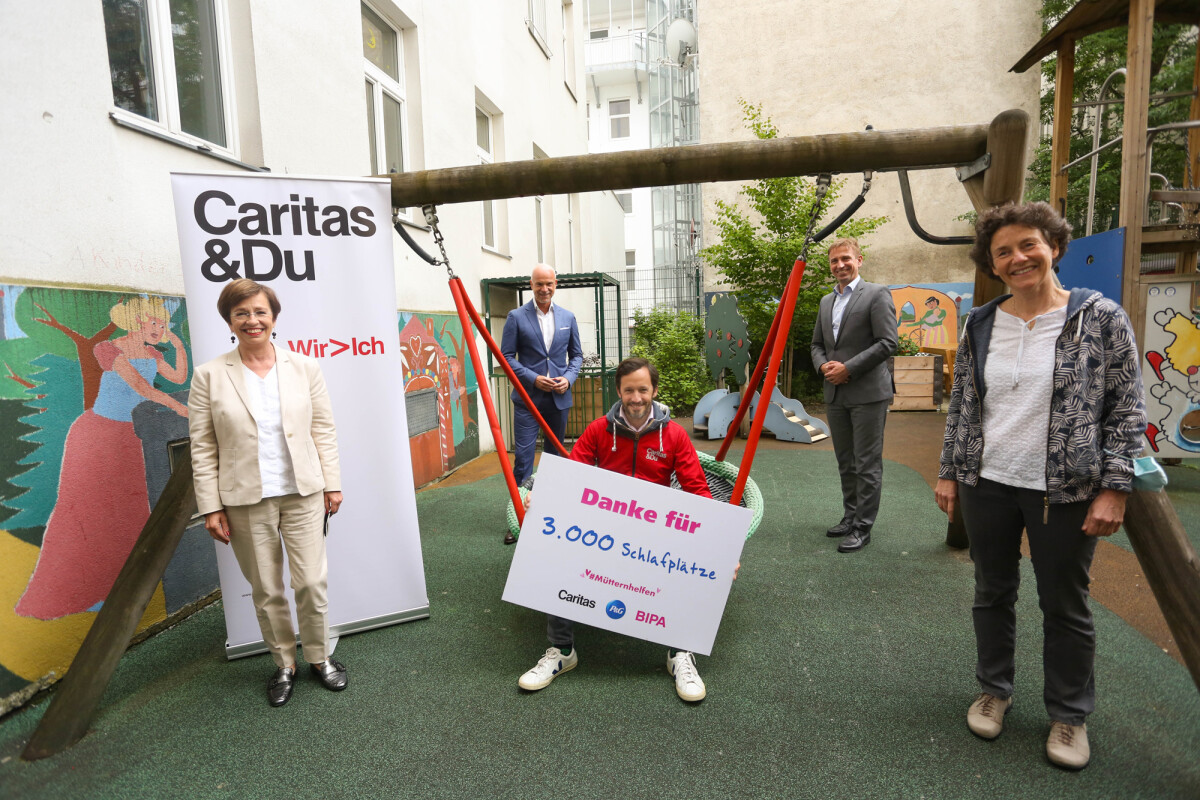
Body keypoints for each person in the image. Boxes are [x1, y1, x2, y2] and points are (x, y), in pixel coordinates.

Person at [935, 202, 1146, 771]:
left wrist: (1115, 487)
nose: (1017, 258)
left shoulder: (1099, 317)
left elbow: (1126, 407)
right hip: (989, 482)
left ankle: (1070, 714)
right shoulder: (981, 322)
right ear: (993, 265)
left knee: (1065, 603)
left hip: (1066, 487)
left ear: (1053, 244)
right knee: (992, 591)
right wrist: (950, 472)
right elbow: (963, 405)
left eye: (1027, 244)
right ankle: (994, 689)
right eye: (1003, 252)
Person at [518, 357, 721, 702]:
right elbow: (572, 474)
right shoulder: (600, 430)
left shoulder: (672, 435)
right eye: (629, 390)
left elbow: (698, 491)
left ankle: (680, 653)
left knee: (688, 565)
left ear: (655, 391)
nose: (637, 397)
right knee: (559, 554)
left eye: (643, 389)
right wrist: (540, 496)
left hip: (654, 534)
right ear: (619, 392)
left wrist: (721, 548)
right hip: (606, 532)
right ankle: (562, 650)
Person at [188, 278, 346, 708]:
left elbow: (323, 429)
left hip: (303, 492)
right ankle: (284, 664)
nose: (252, 320)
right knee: (267, 589)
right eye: (242, 313)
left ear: (273, 317)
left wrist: (332, 482)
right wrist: (211, 507)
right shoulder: (208, 376)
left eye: (260, 311)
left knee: (311, 582)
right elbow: (202, 446)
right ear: (230, 321)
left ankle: (319, 657)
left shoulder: (304, 367)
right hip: (243, 500)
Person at [17, 296, 189, 619]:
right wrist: (176, 406)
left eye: (163, 325)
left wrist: (177, 344)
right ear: (138, 320)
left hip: (130, 436)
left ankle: (110, 590)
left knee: (129, 511)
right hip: (98, 435)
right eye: (155, 322)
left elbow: (179, 377)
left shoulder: (153, 353)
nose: (159, 330)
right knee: (86, 511)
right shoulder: (110, 349)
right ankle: (72, 592)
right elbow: (141, 386)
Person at [810, 237, 898, 553]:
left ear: (859, 260)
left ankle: (863, 527)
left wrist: (847, 367)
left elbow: (888, 342)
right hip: (835, 393)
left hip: (868, 393)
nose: (840, 265)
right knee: (846, 462)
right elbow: (817, 345)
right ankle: (850, 517)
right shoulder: (825, 302)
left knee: (867, 463)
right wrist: (824, 368)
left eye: (846, 258)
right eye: (834, 261)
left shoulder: (876, 294)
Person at [500, 264, 583, 487]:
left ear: (555, 285)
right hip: (528, 398)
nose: (544, 289)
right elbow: (506, 356)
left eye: (548, 284)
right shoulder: (516, 316)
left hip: (559, 398)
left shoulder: (568, 317)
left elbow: (576, 356)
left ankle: (552, 502)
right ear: (532, 285)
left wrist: (568, 379)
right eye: (539, 284)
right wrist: (532, 378)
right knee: (524, 457)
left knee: (555, 456)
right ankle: (520, 509)